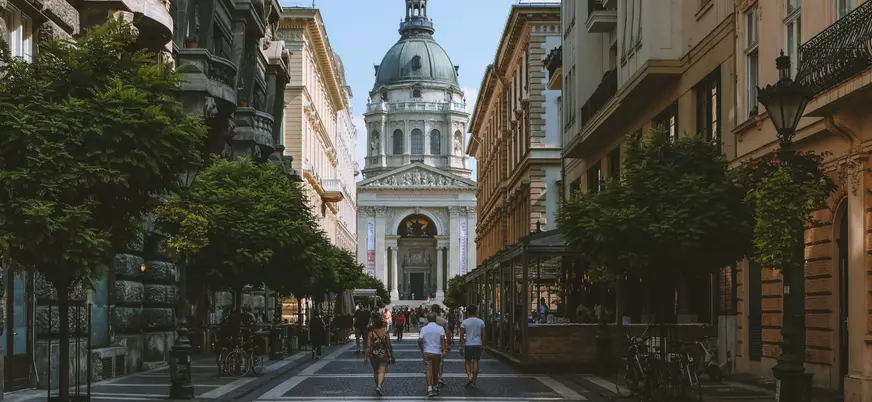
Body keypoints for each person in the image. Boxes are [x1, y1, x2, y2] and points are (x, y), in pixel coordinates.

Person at [364, 314, 395, 396]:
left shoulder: (371, 333)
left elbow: (368, 346)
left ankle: (377, 386)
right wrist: (392, 355)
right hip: (383, 355)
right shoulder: (385, 332)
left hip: (373, 356)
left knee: (375, 371)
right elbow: (389, 345)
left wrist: (366, 357)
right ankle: (379, 386)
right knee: (382, 371)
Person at [418, 312, 446, 397]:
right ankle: (436, 386)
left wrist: (422, 349)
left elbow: (419, 340)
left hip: (427, 352)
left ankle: (430, 389)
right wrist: (444, 350)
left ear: (428, 319)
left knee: (428, 371)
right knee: (436, 371)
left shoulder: (424, 329)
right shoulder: (440, 328)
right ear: (435, 319)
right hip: (437, 352)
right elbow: (442, 340)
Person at [460, 305, 486, 387]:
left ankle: (469, 376)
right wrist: (483, 344)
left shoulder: (464, 322)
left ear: (468, 312)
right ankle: (474, 380)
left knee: (467, 361)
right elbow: (483, 334)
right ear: (476, 311)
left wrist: (462, 343)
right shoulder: (481, 322)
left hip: (468, 344)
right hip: (478, 344)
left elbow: (461, 335)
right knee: (476, 361)